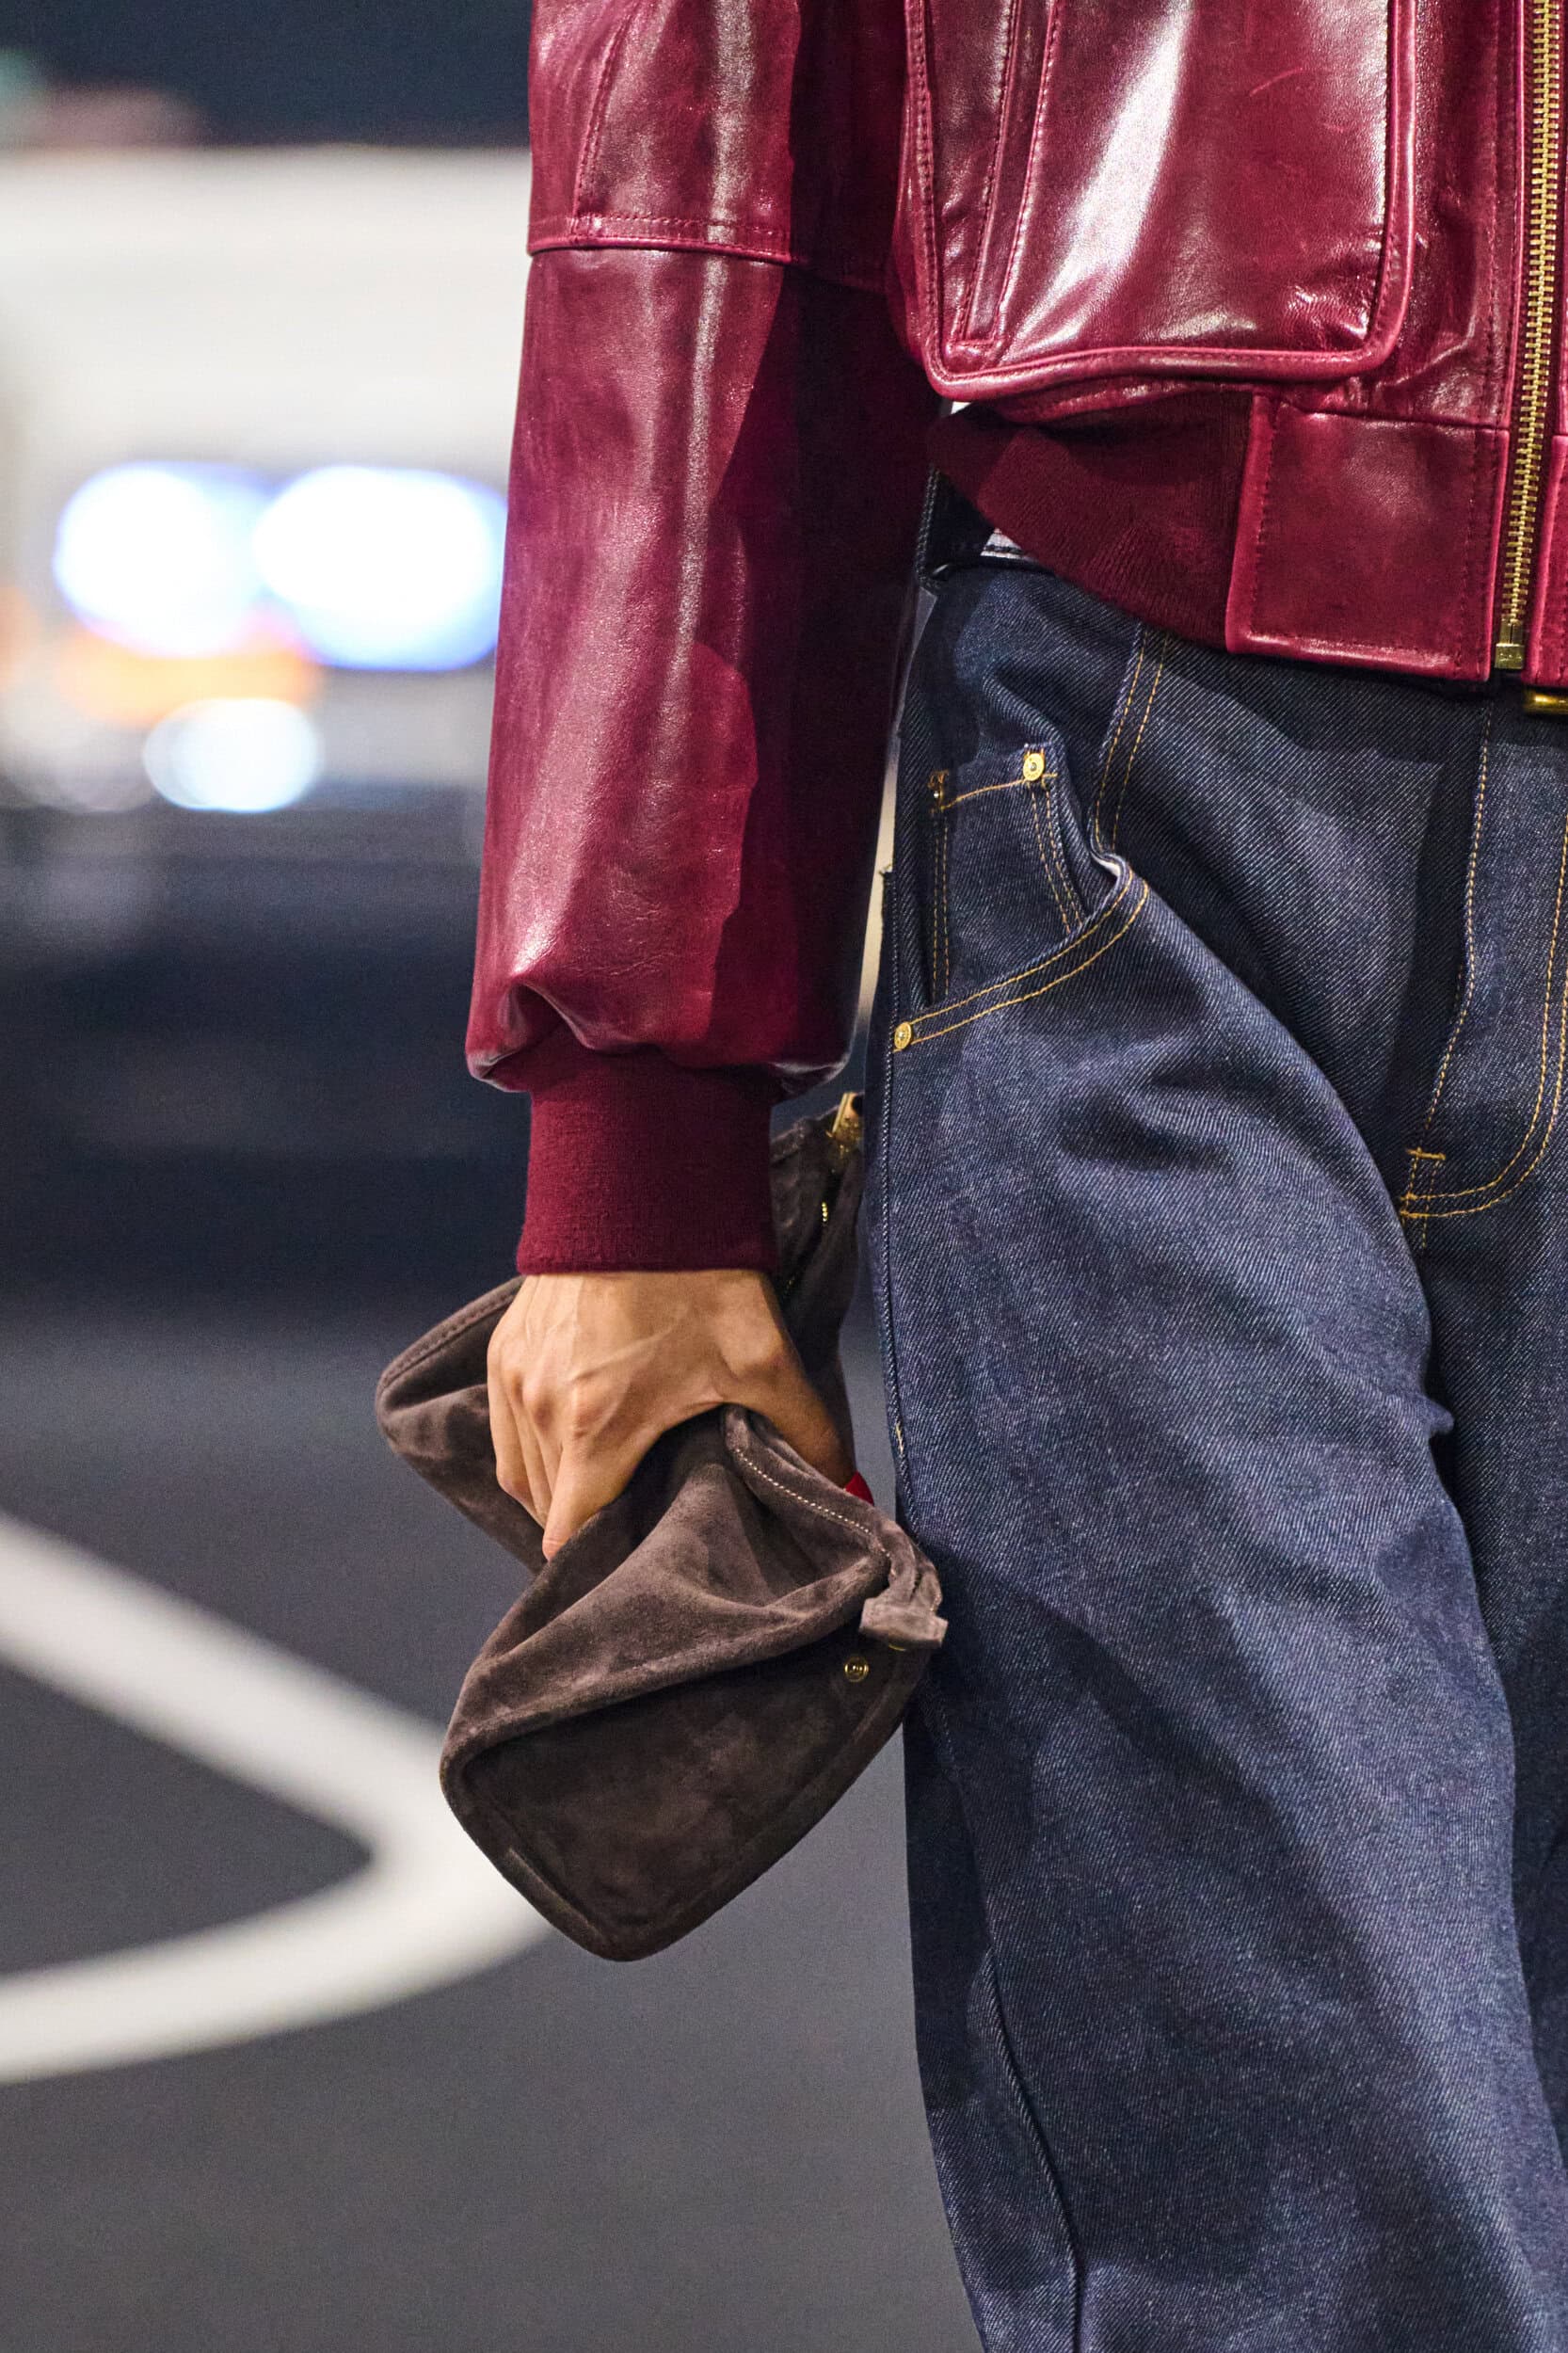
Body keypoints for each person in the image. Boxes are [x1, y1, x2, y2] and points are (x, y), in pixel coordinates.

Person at [475, 4, 1568, 2343]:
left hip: (1137, 823)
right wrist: (640, 1149)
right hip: (1142, 840)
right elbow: (698, 177)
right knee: (1304, 2186)